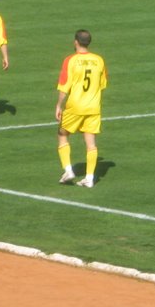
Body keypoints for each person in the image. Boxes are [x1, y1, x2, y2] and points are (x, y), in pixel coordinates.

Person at [56, 29, 108, 188]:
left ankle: (68, 170)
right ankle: (90, 178)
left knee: (62, 134)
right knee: (91, 142)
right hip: (93, 107)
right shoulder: (99, 60)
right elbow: (103, 84)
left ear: (76, 42)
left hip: (75, 106)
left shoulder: (70, 60)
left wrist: (59, 105)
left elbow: (64, 86)